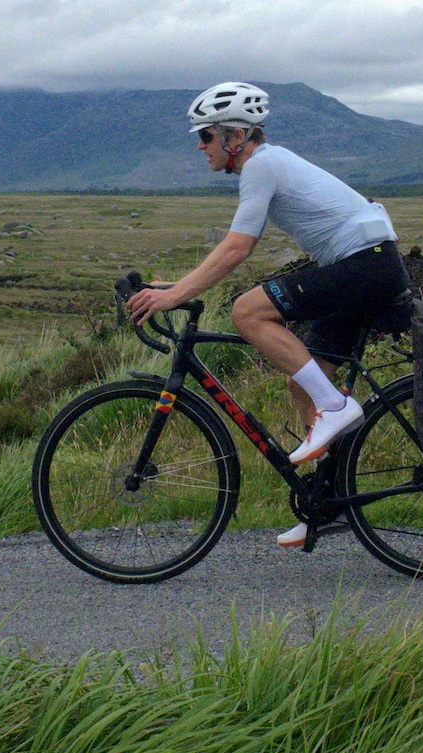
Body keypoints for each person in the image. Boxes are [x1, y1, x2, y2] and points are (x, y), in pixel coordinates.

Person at [127, 81, 408, 549]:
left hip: (366, 265)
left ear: (233, 136)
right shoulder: (267, 164)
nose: (200, 146)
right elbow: (232, 247)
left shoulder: (262, 165)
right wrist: (174, 287)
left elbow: (238, 247)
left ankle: (338, 408)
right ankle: (326, 501)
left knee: (248, 311)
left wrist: (176, 295)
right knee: (303, 383)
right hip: (365, 265)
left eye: (205, 136)